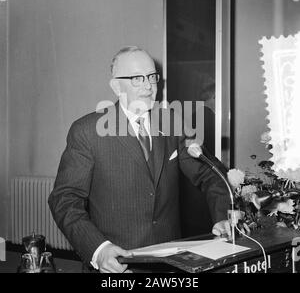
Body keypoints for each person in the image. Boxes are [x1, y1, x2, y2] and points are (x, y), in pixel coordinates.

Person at [48, 46, 231, 273]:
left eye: (152, 77)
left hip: (169, 263)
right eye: (136, 78)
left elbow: (211, 173)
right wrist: (98, 249)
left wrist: (224, 217)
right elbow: (64, 199)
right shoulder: (87, 131)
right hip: (117, 263)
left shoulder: (171, 122)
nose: (148, 86)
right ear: (116, 86)